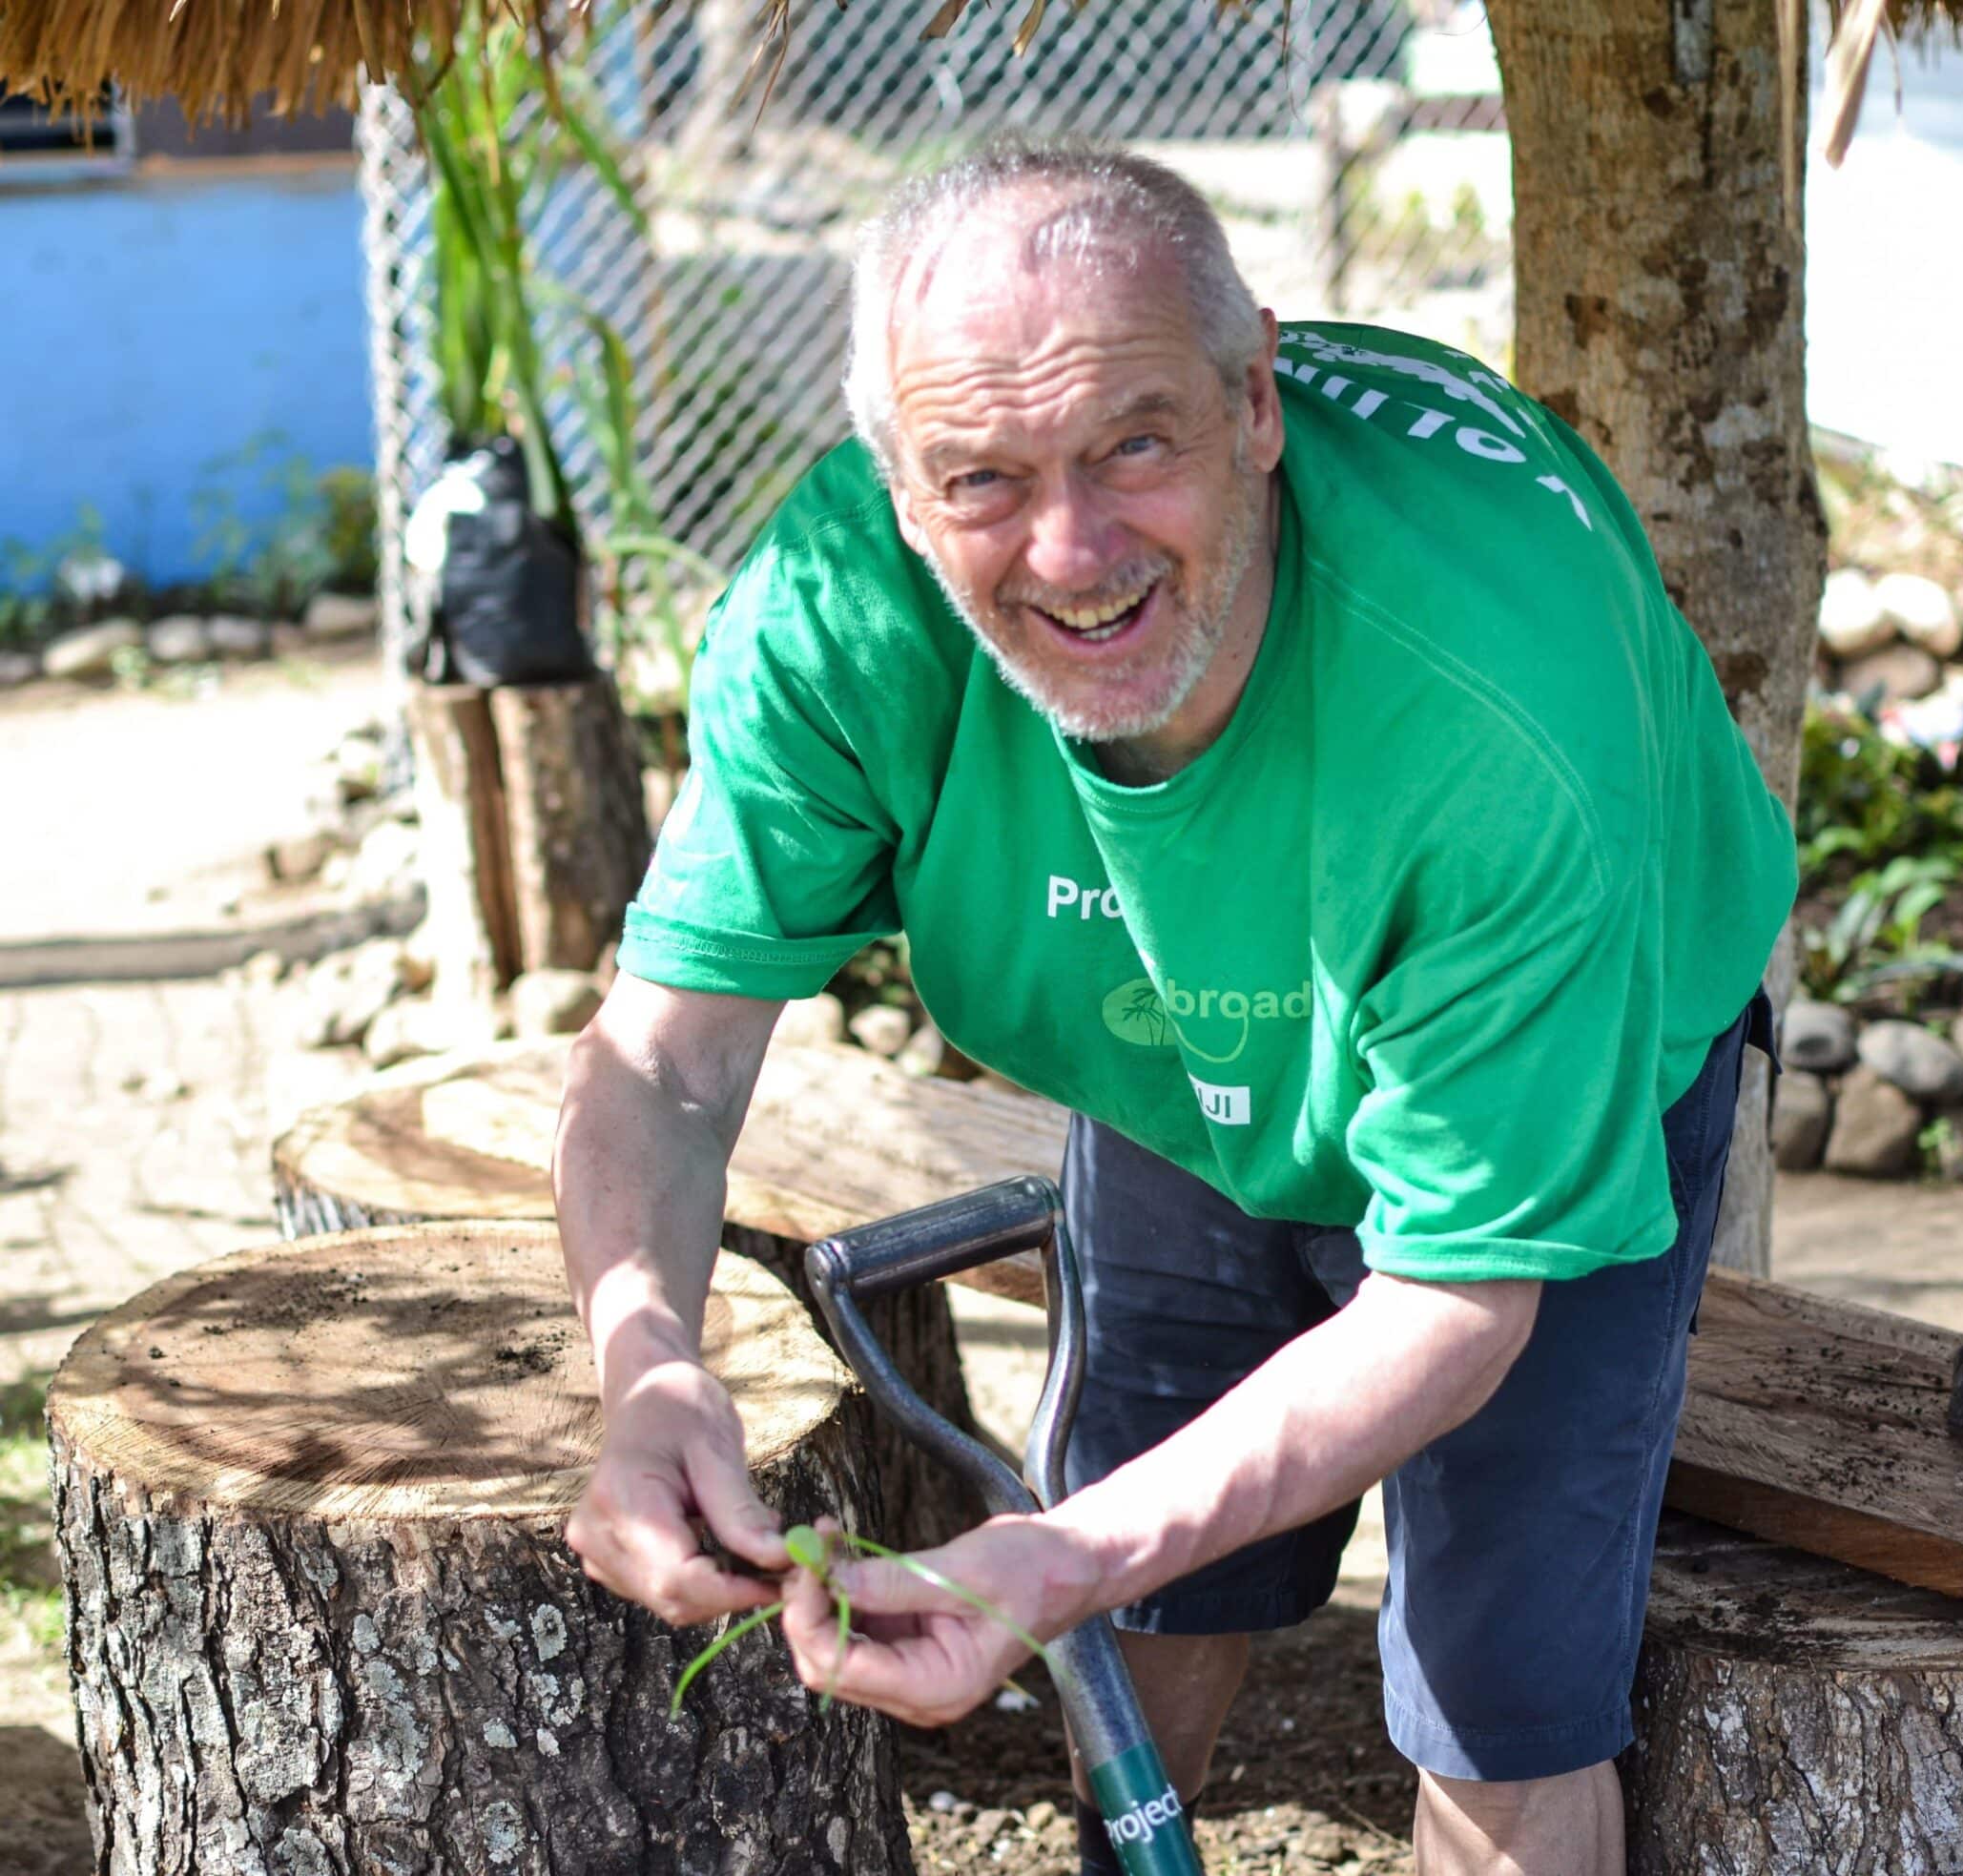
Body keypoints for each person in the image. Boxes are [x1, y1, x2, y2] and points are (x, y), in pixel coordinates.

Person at [555, 135, 1794, 1876]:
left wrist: (1056, 1553)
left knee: (1501, 1707)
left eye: (1134, 442)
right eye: (981, 479)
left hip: (1575, 1051)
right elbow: (666, 1064)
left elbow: (1452, 1305)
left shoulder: (1492, 728)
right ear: (898, 490)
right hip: (1178, 1056)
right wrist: (649, 1362)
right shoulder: (833, 615)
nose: (1071, 550)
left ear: (1258, 405)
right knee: (1144, 1596)